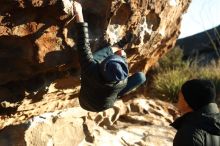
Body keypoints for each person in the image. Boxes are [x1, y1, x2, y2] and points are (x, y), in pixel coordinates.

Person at [71, 1, 146, 112]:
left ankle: (118, 46)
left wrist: (79, 13)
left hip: (84, 102)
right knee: (141, 77)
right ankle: (119, 46)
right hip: (103, 105)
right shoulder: (122, 81)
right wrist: (123, 57)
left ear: (102, 67)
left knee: (93, 57)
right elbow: (122, 69)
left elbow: (83, 44)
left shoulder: (91, 69)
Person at [171, 79, 220, 146]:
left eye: (179, 97)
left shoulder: (188, 134)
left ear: (187, 102)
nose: (177, 101)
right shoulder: (216, 124)